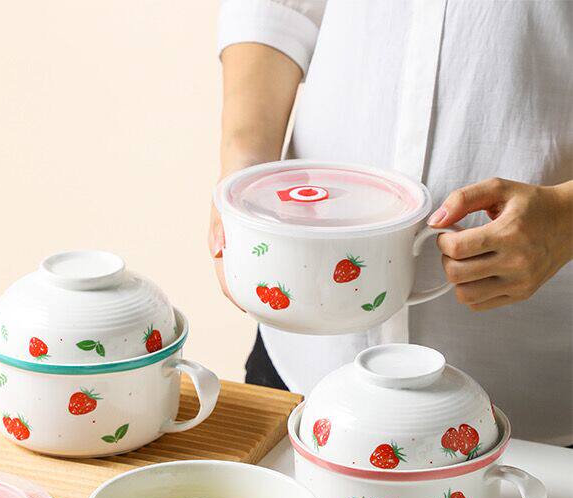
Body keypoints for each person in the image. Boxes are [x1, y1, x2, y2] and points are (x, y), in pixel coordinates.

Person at [209, 0, 573, 445]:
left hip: (538, 390)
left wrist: (566, 218)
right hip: (302, 362)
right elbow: (274, 12)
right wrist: (243, 167)